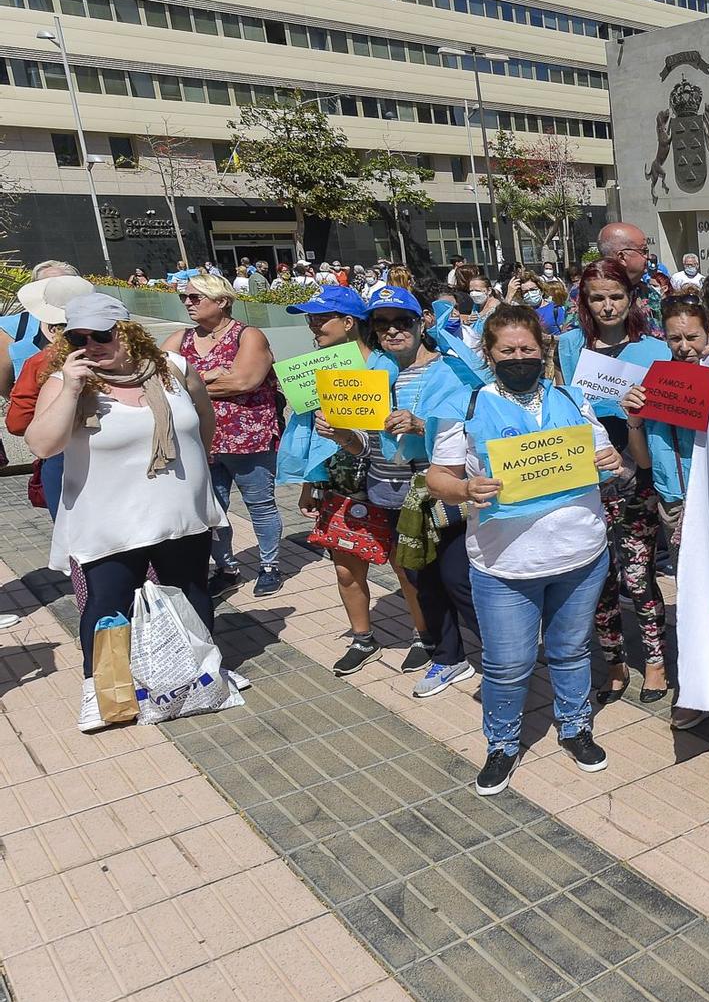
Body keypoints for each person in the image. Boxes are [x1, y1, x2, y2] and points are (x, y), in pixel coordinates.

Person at [428, 305, 621, 794]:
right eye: (507, 350)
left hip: (580, 555)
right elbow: (438, 477)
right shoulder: (469, 405)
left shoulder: (574, 399)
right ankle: (502, 743)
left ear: (544, 349)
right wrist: (464, 492)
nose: (519, 357)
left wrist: (612, 458)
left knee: (572, 649)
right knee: (508, 663)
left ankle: (576, 727)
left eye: (528, 349)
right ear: (489, 355)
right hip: (505, 563)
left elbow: (606, 460)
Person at [24, 294, 227, 732]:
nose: (91, 344)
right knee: (107, 606)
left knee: (191, 594)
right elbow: (42, 445)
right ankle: (103, 692)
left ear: (127, 331)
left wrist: (196, 469)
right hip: (109, 518)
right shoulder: (66, 380)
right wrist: (74, 387)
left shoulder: (173, 368)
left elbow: (203, 419)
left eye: (101, 334)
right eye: (78, 337)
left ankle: (199, 677)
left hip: (178, 510)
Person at [557, 261, 670, 705]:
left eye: (616, 296)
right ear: (585, 302)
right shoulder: (568, 346)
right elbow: (565, 412)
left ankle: (656, 662)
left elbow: (664, 423)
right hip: (586, 478)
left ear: (631, 299)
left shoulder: (654, 351)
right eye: (598, 297)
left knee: (639, 576)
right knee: (599, 578)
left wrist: (630, 458)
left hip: (637, 476)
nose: (608, 306)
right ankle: (616, 663)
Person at [287, 285, 413, 675]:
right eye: (311, 317)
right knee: (344, 566)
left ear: (348, 323)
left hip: (385, 478)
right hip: (338, 482)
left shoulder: (385, 367)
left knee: (403, 566)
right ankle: (362, 638)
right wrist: (311, 483)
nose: (314, 324)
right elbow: (308, 430)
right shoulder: (315, 369)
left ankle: (425, 636)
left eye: (322, 317)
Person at [361, 284, 480, 696]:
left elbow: (472, 423)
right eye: (382, 324)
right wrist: (339, 431)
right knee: (417, 576)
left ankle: (507, 654)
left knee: (458, 578)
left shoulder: (448, 368)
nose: (393, 331)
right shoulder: (371, 374)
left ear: (422, 322)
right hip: (392, 490)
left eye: (402, 321)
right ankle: (449, 659)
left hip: (438, 491)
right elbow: (366, 441)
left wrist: (421, 425)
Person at [620, 299, 709, 728]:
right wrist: (635, 420)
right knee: (690, 599)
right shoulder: (657, 383)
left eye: (692, 336)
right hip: (672, 504)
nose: (684, 346)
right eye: (675, 338)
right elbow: (640, 460)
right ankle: (694, 690)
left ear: (708, 332)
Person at [163, 273, 285, 597]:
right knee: (211, 509)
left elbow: (244, 382)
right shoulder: (180, 339)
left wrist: (191, 383)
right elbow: (159, 381)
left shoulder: (248, 336)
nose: (187, 303)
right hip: (200, 442)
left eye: (195, 297)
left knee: (260, 505)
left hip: (248, 438)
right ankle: (227, 567)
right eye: (184, 298)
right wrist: (211, 375)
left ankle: (269, 566)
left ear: (221, 301)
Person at [7, 274, 93, 522]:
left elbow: (18, 422)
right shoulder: (122, 353)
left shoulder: (41, 361)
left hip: (63, 456)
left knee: (72, 531)